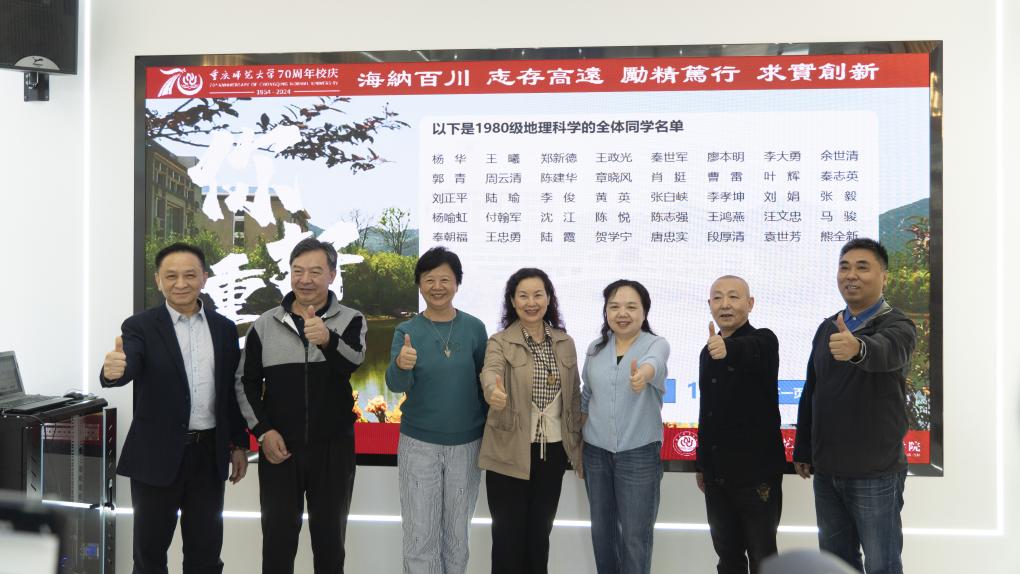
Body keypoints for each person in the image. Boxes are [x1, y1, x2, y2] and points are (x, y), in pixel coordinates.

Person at [100, 242, 248, 574]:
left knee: (205, 557)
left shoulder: (224, 328)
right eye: (171, 276)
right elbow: (129, 362)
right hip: (155, 456)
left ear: (204, 278)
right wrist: (114, 371)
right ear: (158, 280)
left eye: (189, 275)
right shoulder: (139, 326)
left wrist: (238, 443)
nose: (180, 283)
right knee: (149, 558)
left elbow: (230, 391)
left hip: (207, 456)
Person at [235, 238, 367, 574]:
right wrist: (263, 432)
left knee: (330, 544)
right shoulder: (265, 324)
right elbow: (244, 383)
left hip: (333, 449)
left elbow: (353, 362)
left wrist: (327, 339)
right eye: (298, 271)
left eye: (315, 271)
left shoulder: (351, 319)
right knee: (277, 544)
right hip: (280, 449)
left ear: (332, 275)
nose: (305, 279)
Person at [793, 238, 917, 574]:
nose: (851, 275)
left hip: (875, 471)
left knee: (882, 564)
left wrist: (858, 348)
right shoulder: (827, 327)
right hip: (828, 470)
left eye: (862, 267)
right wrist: (803, 447)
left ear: (884, 277)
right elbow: (812, 390)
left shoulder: (898, 325)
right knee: (836, 564)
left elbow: (887, 352)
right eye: (844, 267)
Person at [385, 246, 488, 574]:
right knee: (420, 534)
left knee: (457, 535)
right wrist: (402, 365)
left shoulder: (475, 328)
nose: (437, 286)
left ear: (457, 283)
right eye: (429, 279)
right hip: (419, 444)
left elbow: (484, 382)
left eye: (445, 279)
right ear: (419, 284)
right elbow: (395, 384)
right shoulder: (407, 331)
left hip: (467, 443)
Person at [478, 268, 583, 574]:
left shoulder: (565, 342)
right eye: (523, 296)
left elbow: (574, 397)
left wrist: (578, 449)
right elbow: (490, 371)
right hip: (508, 452)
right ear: (512, 301)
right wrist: (492, 391)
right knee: (507, 539)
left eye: (538, 295)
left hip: (552, 453)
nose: (531, 302)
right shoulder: (499, 341)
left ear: (549, 299)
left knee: (539, 538)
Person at [696, 275, 785, 574]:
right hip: (717, 476)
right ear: (709, 304)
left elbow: (750, 350)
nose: (725, 304)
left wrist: (728, 349)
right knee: (728, 558)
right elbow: (707, 412)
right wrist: (702, 464)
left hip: (756, 476)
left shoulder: (764, 340)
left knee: (763, 557)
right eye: (717, 298)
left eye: (733, 297)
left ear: (750, 304)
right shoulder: (706, 351)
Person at [581, 279, 670, 574]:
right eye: (614, 306)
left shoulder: (655, 344)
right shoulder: (595, 348)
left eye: (631, 307)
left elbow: (654, 363)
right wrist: (577, 443)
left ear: (644, 312)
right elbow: (587, 395)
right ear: (606, 311)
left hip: (639, 454)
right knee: (602, 535)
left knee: (635, 538)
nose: (622, 313)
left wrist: (642, 375)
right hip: (596, 453)